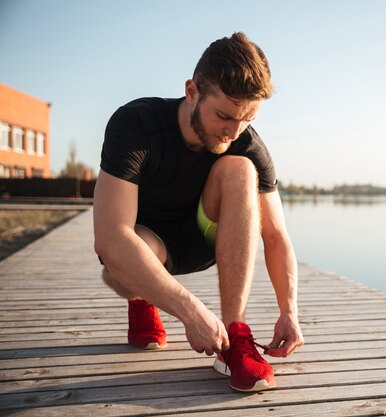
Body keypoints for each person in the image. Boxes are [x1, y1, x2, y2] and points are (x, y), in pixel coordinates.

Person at [93, 32, 304, 392]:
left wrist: (289, 311)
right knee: (120, 265)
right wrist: (192, 313)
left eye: (248, 118)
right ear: (192, 91)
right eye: (224, 115)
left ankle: (235, 336)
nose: (234, 130)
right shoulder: (136, 125)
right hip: (148, 243)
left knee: (240, 169)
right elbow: (111, 237)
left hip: (204, 238)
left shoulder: (246, 143)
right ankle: (142, 300)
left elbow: (275, 235)